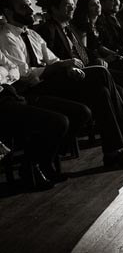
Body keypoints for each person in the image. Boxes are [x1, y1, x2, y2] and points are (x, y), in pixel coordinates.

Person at [0, 0, 123, 169]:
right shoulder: (6, 37)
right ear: (8, 12)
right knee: (100, 73)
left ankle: (112, 153)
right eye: (24, 7)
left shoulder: (31, 34)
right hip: (33, 89)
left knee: (101, 91)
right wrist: (62, 66)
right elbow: (25, 75)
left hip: (52, 81)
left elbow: (53, 59)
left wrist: (68, 67)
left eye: (29, 5)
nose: (31, 10)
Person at [1, 49, 91, 190]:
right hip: (5, 103)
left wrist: (5, 76)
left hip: (13, 94)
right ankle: (31, 166)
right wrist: (4, 74)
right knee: (58, 121)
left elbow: (14, 69)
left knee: (78, 113)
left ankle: (44, 161)